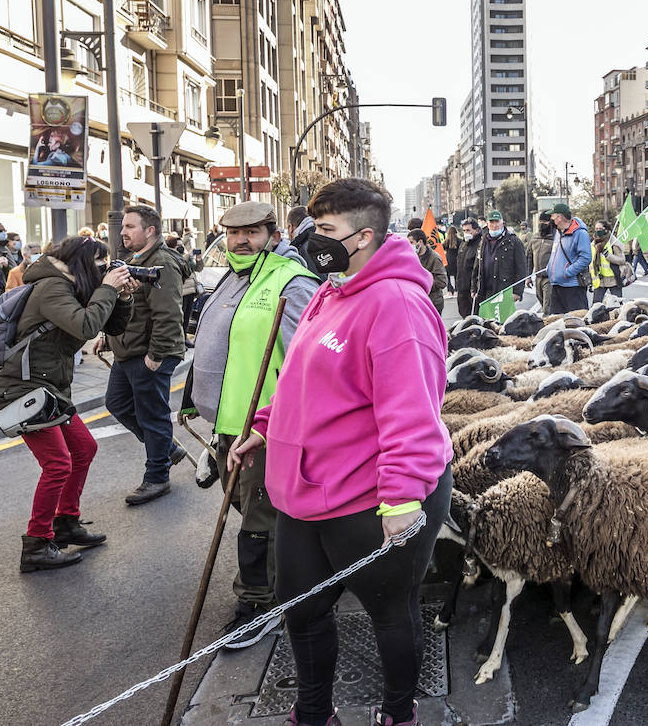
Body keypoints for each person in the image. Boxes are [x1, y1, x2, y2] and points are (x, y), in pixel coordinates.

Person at [228, 178, 452, 726]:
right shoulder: (330, 290)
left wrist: (401, 497)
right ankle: (312, 715)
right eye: (313, 227)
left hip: (369, 495)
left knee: (390, 613)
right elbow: (300, 378)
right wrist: (265, 424)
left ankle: (398, 714)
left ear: (365, 236)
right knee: (300, 610)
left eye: (326, 231)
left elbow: (413, 410)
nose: (314, 240)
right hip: (302, 491)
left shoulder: (397, 304)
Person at [183, 202, 318, 646]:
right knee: (252, 511)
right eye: (233, 232)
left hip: (264, 428)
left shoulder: (290, 280)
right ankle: (300, 568)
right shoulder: (230, 277)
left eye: (252, 232)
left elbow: (309, 361)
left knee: (256, 522)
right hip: (226, 426)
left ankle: (259, 604)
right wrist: (192, 399)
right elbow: (213, 341)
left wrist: (273, 421)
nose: (241, 240)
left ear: (274, 233)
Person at [0, 236, 135, 573]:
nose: (105, 268)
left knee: (84, 449)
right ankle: (37, 544)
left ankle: (66, 522)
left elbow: (111, 326)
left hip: (51, 389)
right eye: (101, 262)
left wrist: (123, 296)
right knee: (57, 464)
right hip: (24, 391)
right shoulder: (51, 288)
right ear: (83, 262)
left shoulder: (71, 287)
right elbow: (85, 325)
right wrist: (109, 289)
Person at [101, 205, 188, 505]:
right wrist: (107, 337)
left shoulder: (161, 264)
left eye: (130, 227)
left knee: (153, 416)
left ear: (150, 231)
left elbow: (168, 315)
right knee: (117, 404)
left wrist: (157, 354)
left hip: (148, 353)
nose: (122, 232)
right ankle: (165, 449)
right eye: (123, 226)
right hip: (126, 350)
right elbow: (123, 305)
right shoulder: (132, 260)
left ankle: (157, 477)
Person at [472, 211, 528, 311]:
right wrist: (474, 288)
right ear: (487, 224)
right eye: (491, 222)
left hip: (504, 292)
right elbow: (477, 266)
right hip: (485, 292)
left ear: (502, 223)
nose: (494, 225)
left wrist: (517, 292)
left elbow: (521, 268)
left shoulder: (513, 241)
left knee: (503, 324)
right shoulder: (483, 241)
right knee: (487, 323)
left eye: (497, 222)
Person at [546, 202, 592, 314]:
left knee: (576, 323)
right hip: (557, 285)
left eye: (553, 216)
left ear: (560, 217)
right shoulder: (559, 233)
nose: (551, 219)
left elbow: (586, 258)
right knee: (555, 323)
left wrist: (567, 272)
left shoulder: (580, 233)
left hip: (573, 287)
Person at [406, 229, 447, 313]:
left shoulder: (434, 258)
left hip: (433, 303)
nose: (409, 246)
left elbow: (442, 282)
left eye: (411, 242)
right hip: (418, 302)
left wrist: (423, 284)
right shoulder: (412, 257)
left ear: (420, 242)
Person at [589, 218, 626, 304]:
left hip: (613, 279)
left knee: (617, 304)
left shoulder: (613, 242)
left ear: (606, 229)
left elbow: (622, 260)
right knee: (596, 305)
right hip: (599, 279)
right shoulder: (593, 243)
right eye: (596, 229)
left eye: (600, 229)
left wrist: (608, 256)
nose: (598, 231)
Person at [528, 211, 555, 312]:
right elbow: (529, 257)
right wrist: (528, 276)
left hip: (550, 278)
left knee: (547, 307)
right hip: (538, 278)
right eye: (541, 221)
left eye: (545, 222)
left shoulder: (555, 238)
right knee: (540, 299)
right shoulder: (535, 237)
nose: (542, 224)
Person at [455, 218, 482, 317]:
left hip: (473, 290)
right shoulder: (463, 244)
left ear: (476, 230)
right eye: (464, 230)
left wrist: (475, 288)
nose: (466, 233)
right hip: (462, 288)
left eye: (468, 230)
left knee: (475, 316)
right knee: (464, 314)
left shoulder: (480, 244)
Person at [442, 226, 460, 294]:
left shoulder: (446, 242)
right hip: (456, 261)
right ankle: (456, 290)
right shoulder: (459, 241)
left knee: (447, 276)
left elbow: (442, 249)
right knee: (456, 276)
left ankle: (449, 290)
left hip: (448, 261)